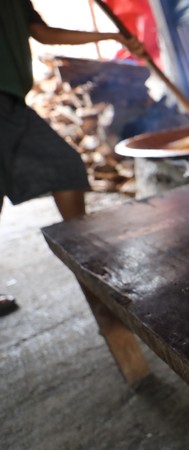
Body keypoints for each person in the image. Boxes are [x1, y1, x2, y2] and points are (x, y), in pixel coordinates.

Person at [0, 0, 146, 316]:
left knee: (64, 165)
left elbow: (41, 32)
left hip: (11, 104)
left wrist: (110, 37)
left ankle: (90, 266)